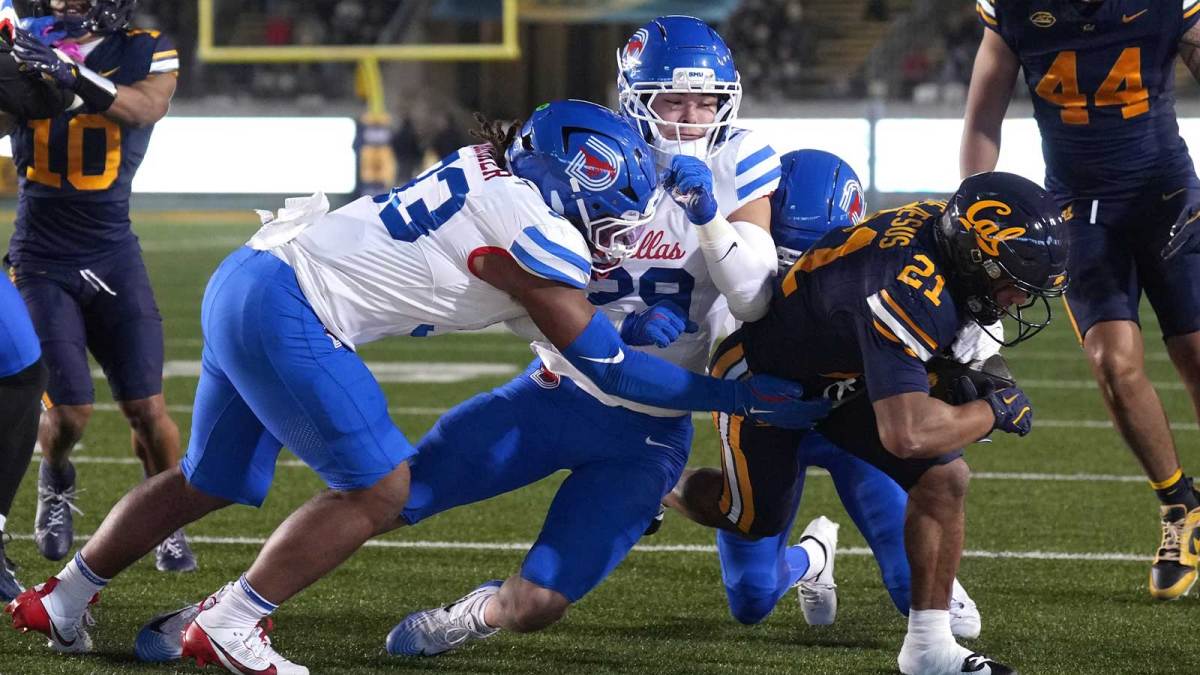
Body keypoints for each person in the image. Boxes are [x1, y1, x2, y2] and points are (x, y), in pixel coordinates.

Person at [7, 99, 823, 674]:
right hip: (296, 309)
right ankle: (232, 620)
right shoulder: (539, 231)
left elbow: (548, 298)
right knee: (380, 488)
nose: (609, 231)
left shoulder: (488, 164)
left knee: (209, 477)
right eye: (601, 212)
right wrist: (739, 399)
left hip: (249, 273)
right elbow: (605, 359)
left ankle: (65, 595)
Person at [379, 16, 812, 658]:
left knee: (534, 608)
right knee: (388, 496)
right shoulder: (587, 152)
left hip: (650, 426)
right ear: (637, 98)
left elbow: (750, 296)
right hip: (557, 387)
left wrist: (707, 216)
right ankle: (236, 608)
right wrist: (615, 326)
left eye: (705, 101)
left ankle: (475, 612)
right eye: (673, 99)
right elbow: (528, 285)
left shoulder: (738, 158)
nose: (691, 118)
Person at [669, 171, 1069, 675]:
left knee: (946, 477)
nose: (1018, 300)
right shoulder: (906, 289)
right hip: (768, 382)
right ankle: (659, 482)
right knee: (749, 526)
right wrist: (993, 410)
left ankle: (928, 648)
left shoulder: (945, 235)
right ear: (975, 255)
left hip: (847, 375)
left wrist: (965, 380)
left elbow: (942, 360)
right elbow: (907, 434)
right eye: (1012, 284)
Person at [961, 0, 1200, 600]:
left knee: (1195, 350)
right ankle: (1179, 507)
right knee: (1112, 363)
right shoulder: (1016, 10)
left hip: (1166, 194)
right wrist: (968, 208)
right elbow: (984, 117)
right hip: (1078, 210)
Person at [698, 149, 980, 639]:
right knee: (752, 599)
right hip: (763, 421)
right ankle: (812, 557)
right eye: (787, 260)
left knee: (918, 593)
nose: (800, 276)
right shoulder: (726, 257)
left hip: (853, 420)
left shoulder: (883, 280)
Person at [1, 0, 194, 572]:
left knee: (146, 407)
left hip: (111, 252)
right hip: (40, 255)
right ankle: (55, 478)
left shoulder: (143, 45)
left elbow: (145, 107)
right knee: (69, 415)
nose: (59, 2)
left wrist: (72, 76)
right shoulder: (18, 44)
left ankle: (167, 516)